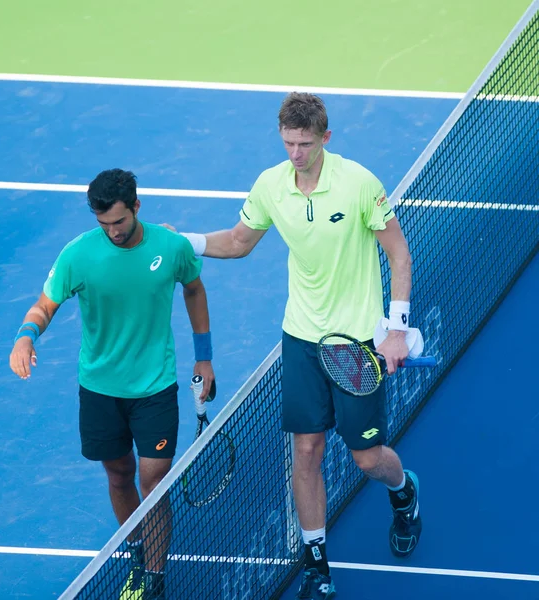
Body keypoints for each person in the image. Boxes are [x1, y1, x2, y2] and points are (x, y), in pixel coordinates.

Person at [170, 92, 422, 600]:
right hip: (302, 338)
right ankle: (316, 563)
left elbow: (398, 254)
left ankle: (404, 492)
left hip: (355, 344)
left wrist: (396, 328)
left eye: (305, 143)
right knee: (305, 451)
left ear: (325, 138)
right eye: (288, 143)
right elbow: (240, 241)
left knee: (367, 458)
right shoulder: (271, 185)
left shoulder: (358, 184)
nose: (296, 154)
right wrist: (189, 243)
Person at [9, 168, 215, 600]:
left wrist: (204, 357)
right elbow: (46, 305)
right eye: (103, 224)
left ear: (137, 207)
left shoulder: (170, 246)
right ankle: (138, 554)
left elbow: (194, 290)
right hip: (100, 389)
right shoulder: (79, 254)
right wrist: (25, 337)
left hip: (155, 388)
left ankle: (154, 581)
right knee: (119, 474)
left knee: (153, 482)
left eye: (119, 222)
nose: (112, 232)